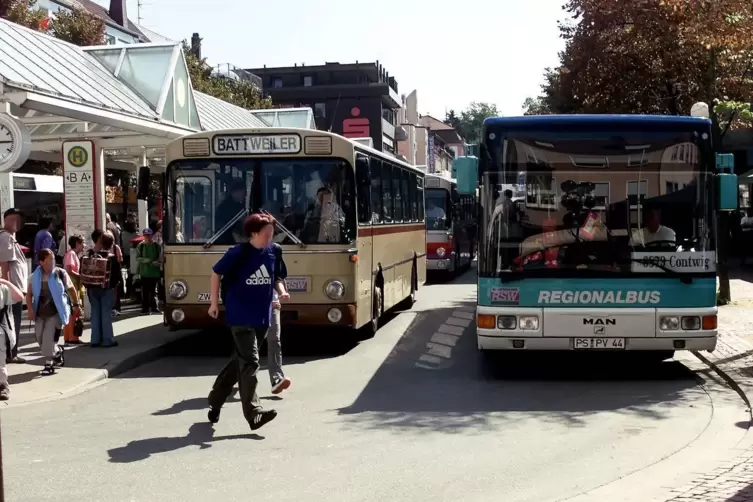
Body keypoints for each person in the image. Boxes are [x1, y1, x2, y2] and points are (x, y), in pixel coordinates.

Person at [206, 213, 289, 430]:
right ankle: (254, 414)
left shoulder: (274, 251)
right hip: (239, 315)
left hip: (262, 315)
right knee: (251, 361)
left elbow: (277, 277)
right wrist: (214, 304)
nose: (271, 236)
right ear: (254, 233)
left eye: (272, 232)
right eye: (267, 233)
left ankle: (215, 400)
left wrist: (281, 292)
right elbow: (216, 273)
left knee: (240, 363)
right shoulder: (238, 252)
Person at [26, 249, 81, 376]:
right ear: (42, 262)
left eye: (53, 259)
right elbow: (29, 295)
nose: (53, 262)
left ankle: (48, 364)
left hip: (56, 312)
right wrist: (30, 309)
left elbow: (71, 289)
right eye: (50, 260)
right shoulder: (34, 277)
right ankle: (57, 352)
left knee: (48, 338)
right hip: (40, 313)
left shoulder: (60, 273)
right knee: (40, 339)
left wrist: (76, 304)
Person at [82, 231, 121, 348]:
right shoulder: (112, 258)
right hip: (106, 288)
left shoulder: (89, 254)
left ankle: (95, 339)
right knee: (105, 314)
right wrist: (113, 286)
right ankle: (107, 340)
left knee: (95, 313)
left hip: (92, 288)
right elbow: (117, 276)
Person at [0, 208, 28, 365]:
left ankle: (11, 352)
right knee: (12, 323)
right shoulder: (6, 238)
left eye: (18, 219)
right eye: (13, 219)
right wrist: (7, 289)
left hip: (15, 289)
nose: (16, 222)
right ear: (6, 220)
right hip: (12, 291)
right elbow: (4, 264)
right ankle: (11, 354)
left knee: (12, 322)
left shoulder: (10, 238)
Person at [0, 277, 25, 399]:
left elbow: (20, 297)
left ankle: (2, 386)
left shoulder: (3, 288)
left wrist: (5, 281)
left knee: (0, 359)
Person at [63, 234, 85, 345]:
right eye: (83, 243)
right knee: (74, 311)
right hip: (71, 287)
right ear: (77, 243)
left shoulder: (72, 254)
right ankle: (73, 337)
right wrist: (80, 276)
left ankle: (68, 336)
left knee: (70, 311)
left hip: (72, 286)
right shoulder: (71, 254)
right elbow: (68, 270)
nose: (84, 245)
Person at [268, 290, 291, 394]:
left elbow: (279, 279)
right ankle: (233, 377)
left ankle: (277, 379)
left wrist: (282, 292)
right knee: (250, 344)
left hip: (274, 305)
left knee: (274, 340)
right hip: (252, 305)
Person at [136, 228, 161, 315]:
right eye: (145, 235)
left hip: (154, 273)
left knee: (154, 291)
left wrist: (155, 263)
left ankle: (155, 308)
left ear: (151, 235)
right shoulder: (141, 245)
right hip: (144, 273)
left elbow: (160, 258)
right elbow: (138, 257)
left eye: (149, 235)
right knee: (145, 292)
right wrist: (147, 260)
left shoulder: (156, 246)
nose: (147, 237)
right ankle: (145, 309)